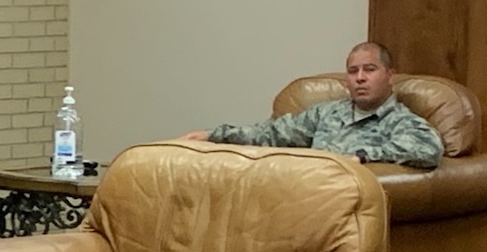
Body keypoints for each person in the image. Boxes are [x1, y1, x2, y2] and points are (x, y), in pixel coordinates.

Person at [181, 40, 444, 168]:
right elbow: (272, 133)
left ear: (389, 75)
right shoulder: (328, 112)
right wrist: (213, 135)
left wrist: (362, 157)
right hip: (302, 196)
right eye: (353, 71)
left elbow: (429, 149)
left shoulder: (400, 121)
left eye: (370, 69)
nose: (360, 78)